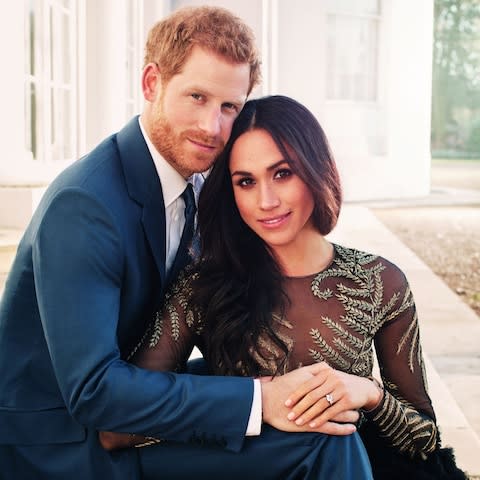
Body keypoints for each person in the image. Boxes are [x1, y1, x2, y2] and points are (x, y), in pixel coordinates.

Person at [0, 7, 373, 480]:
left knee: (322, 416)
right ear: (152, 83)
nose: (212, 127)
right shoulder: (86, 206)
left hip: (130, 415)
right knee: (316, 444)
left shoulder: (195, 182)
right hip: (66, 448)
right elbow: (92, 391)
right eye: (196, 96)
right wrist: (259, 399)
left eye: (228, 107)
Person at [101, 95, 468, 480]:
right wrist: (246, 406)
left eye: (282, 174)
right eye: (246, 182)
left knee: (340, 441)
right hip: (244, 471)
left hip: (352, 468)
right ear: (231, 193)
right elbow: (120, 423)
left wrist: (368, 393)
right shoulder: (203, 287)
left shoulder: (378, 282)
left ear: (314, 170)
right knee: (332, 440)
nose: (266, 201)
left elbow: (425, 439)